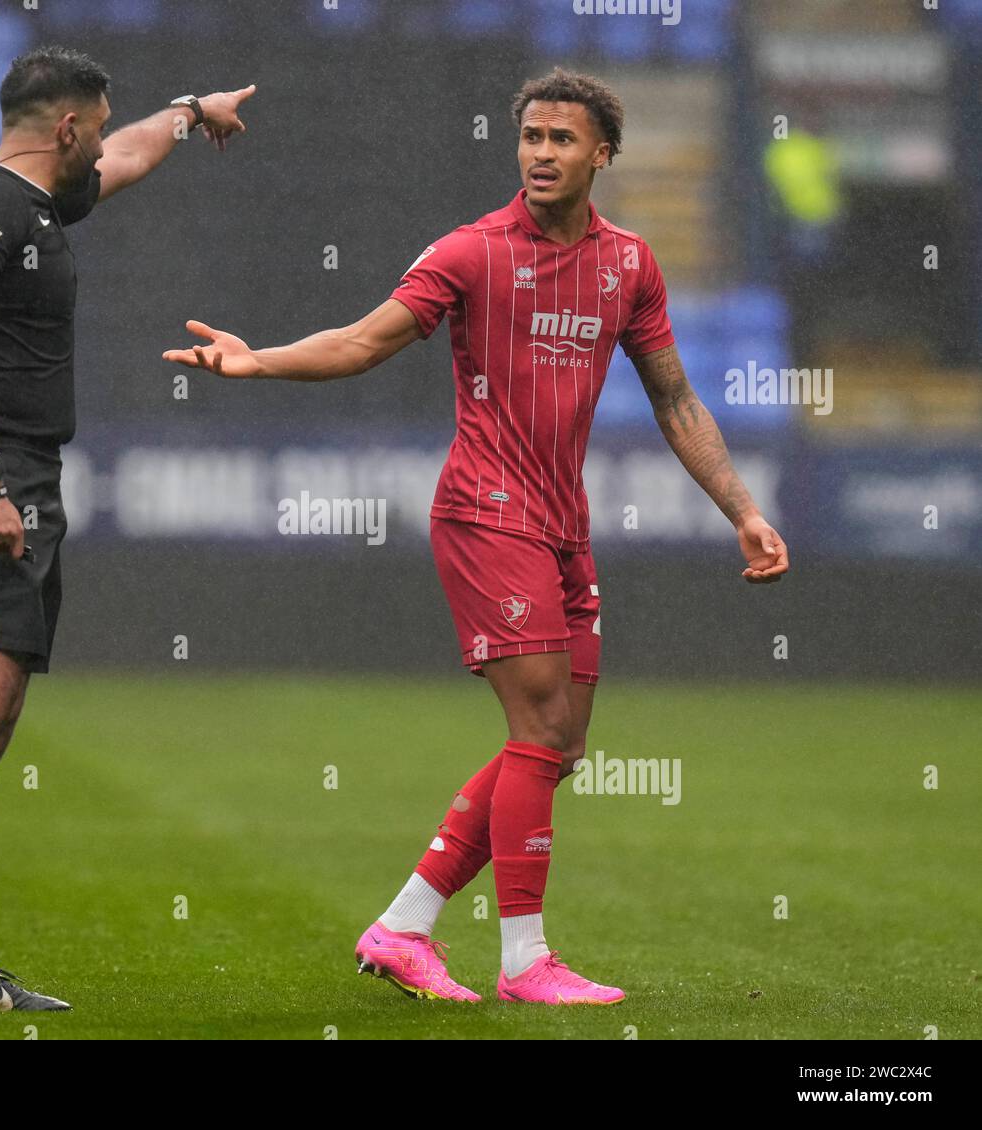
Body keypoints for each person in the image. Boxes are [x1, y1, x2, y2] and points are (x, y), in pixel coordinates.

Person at [163, 67, 788, 1006]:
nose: (541, 153)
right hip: (485, 513)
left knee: (559, 746)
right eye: (531, 137)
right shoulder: (471, 252)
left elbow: (675, 397)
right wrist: (260, 362)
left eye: (562, 140)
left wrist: (741, 508)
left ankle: (403, 927)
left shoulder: (630, 265)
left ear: (601, 155)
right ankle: (525, 959)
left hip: (562, 523)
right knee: (538, 730)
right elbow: (363, 340)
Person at [0, 45, 256, 1014]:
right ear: (66, 125)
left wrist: (191, 110)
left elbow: (121, 163)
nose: (105, 143)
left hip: (29, 475)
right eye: (100, 122)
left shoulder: (37, 204)